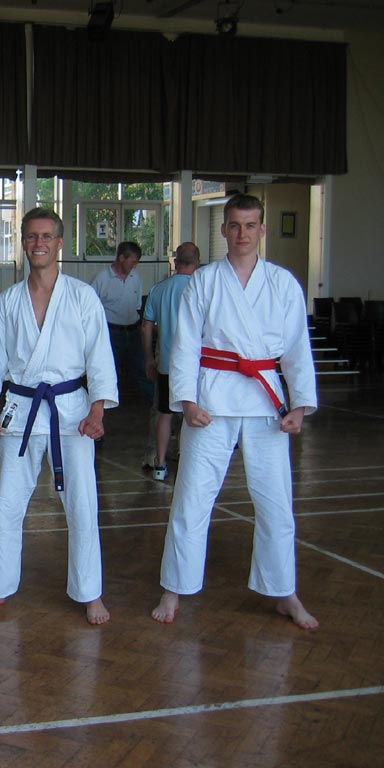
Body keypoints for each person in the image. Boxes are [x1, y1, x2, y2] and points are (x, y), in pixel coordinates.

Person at [151, 194, 319, 630]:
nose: (242, 233)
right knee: (192, 497)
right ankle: (175, 587)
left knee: (276, 502)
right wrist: (186, 400)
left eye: (250, 225)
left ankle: (284, 591)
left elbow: (298, 347)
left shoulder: (283, 284)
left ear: (262, 230)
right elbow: (186, 343)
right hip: (212, 398)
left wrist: (299, 404)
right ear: (223, 230)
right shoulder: (204, 281)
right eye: (234, 225)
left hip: (266, 401)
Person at [0, 209, 118, 625]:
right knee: (8, 506)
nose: (39, 244)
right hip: (19, 409)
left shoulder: (83, 297)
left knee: (82, 505)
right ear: (23, 241)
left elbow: (99, 357)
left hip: (71, 411)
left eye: (47, 236)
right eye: (32, 236)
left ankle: (90, 592)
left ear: (60, 242)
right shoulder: (9, 301)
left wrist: (98, 409)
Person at [141, 242, 201, 481]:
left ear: (175, 262)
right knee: (192, 415)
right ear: (197, 263)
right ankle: (190, 464)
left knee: (164, 414)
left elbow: (146, 327)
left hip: (167, 363)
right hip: (197, 365)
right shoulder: (202, 289)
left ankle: (160, 464)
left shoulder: (159, 289)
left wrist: (148, 358)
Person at [91, 241, 154, 402]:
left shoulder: (135, 277)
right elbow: (91, 308)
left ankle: (153, 404)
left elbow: (138, 304)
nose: (135, 265)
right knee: (109, 370)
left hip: (133, 330)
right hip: (111, 332)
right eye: (132, 261)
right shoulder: (102, 278)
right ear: (121, 258)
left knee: (141, 369)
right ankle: (105, 404)